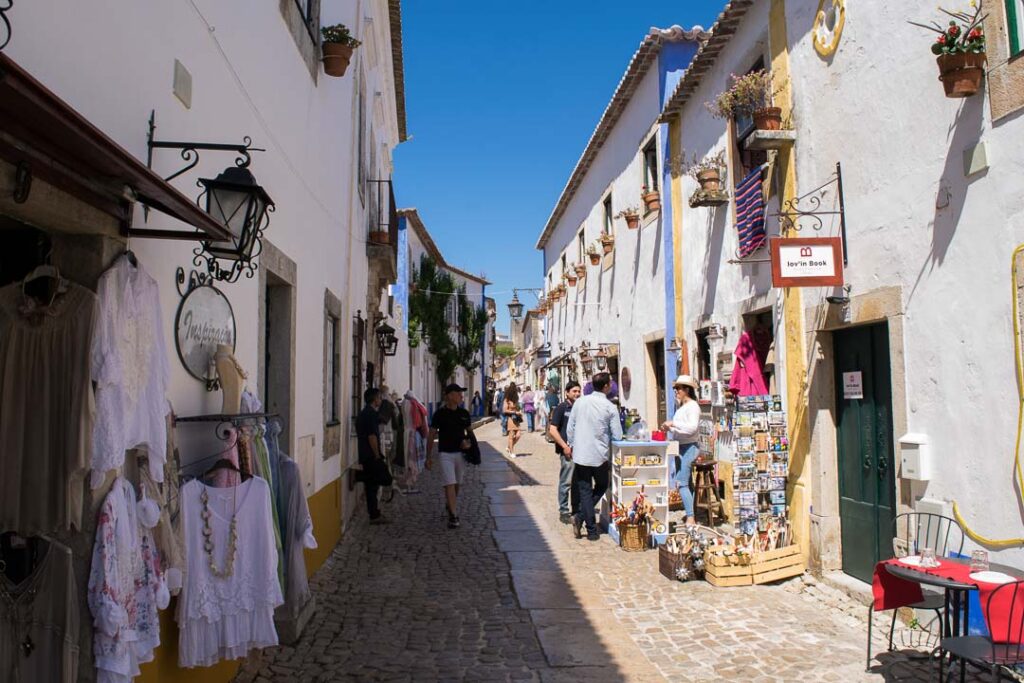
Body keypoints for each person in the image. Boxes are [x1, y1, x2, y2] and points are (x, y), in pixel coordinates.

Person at [567, 372, 623, 541]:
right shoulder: (609, 407)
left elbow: (571, 427)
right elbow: (618, 435)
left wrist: (572, 445)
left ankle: (589, 528)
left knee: (584, 490)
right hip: (599, 454)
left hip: (581, 453)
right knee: (602, 485)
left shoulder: (580, 402)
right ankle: (584, 522)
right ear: (606, 386)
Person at [426, 383, 475, 529]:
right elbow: (431, 435)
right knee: (449, 483)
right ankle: (453, 515)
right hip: (445, 453)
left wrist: (469, 445)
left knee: (457, 484)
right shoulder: (439, 414)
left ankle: (450, 504)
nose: (461, 396)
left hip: (460, 454)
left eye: (462, 393)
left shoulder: (464, 414)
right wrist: (428, 456)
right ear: (450, 396)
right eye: (458, 393)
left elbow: (470, 433)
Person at [661, 375, 701, 527]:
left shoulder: (693, 407)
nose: (676, 391)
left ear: (687, 389)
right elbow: (681, 428)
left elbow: (691, 428)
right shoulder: (682, 407)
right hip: (680, 446)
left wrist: (673, 423)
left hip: (689, 446)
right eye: (675, 388)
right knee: (686, 482)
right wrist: (669, 427)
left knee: (681, 483)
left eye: (678, 388)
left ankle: (691, 518)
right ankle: (690, 513)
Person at [356, 387, 392, 525]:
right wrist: (377, 454)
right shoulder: (370, 414)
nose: (381, 400)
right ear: (374, 399)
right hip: (371, 454)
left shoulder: (363, 413)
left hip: (365, 453)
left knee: (372, 483)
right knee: (375, 483)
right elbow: (372, 436)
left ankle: (374, 513)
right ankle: (374, 515)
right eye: (379, 397)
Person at [549, 381, 582, 525]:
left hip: (581, 451)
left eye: (579, 391)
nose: (577, 394)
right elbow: (553, 430)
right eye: (574, 391)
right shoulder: (562, 408)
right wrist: (564, 446)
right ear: (567, 392)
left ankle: (576, 509)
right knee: (566, 481)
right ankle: (563, 510)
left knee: (578, 482)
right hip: (567, 451)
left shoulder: (581, 407)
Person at [504, 384, 523, 457]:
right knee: (511, 435)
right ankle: (511, 452)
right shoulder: (507, 400)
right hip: (511, 419)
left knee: (518, 435)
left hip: (516, 419)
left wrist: (519, 411)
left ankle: (509, 447)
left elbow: (518, 408)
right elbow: (505, 410)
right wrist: (514, 412)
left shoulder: (516, 400)